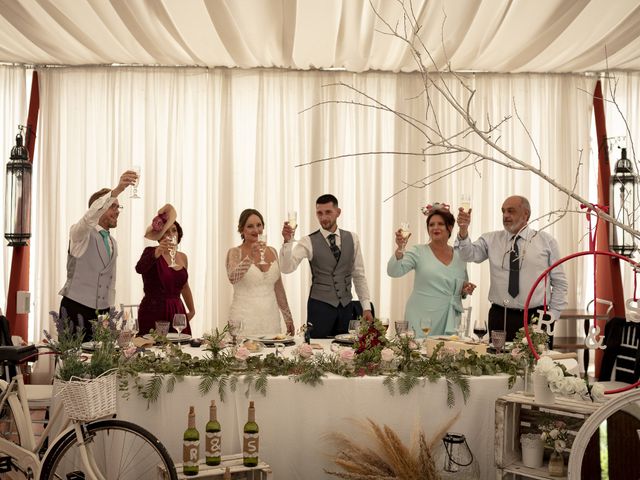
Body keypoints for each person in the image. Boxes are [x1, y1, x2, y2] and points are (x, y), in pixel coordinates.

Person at [456, 195, 568, 343]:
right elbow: (467, 255)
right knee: (498, 363)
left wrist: (552, 315)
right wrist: (463, 230)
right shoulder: (490, 240)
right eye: (503, 211)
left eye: (511, 211)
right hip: (500, 316)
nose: (505, 215)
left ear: (526, 214)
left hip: (537, 317)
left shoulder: (546, 242)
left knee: (537, 365)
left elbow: (559, 282)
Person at [59, 170, 137, 340]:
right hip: (75, 308)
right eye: (112, 206)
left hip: (102, 314)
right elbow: (88, 219)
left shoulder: (113, 242)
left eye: (118, 207)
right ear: (98, 208)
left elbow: (111, 281)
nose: (117, 211)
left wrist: (108, 313)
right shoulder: (79, 234)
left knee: (101, 364)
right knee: (73, 364)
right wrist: (117, 190)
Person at [280, 194, 373, 338]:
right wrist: (287, 243)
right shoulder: (307, 241)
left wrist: (366, 307)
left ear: (338, 212)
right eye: (319, 213)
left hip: (346, 307)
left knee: (347, 351)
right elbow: (287, 268)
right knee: (318, 353)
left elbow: (359, 275)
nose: (323, 218)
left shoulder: (352, 238)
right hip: (319, 307)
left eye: (328, 212)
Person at [387, 204, 476, 337]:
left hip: (449, 318)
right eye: (431, 224)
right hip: (421, 317)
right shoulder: (418, 251)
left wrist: (465, 289)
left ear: (450, 227)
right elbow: (394, 271)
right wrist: (400, 248)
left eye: (440, 224)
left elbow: (462, 287)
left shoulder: (461, 255)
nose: (435, 227)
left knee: (447, 355)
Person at [226, 209, 295, 336]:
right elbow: (232, 278)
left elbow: (278, 288)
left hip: (270, 318)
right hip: (244, 318)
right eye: (250, 226)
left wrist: (288, 318)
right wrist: (250, 257)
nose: (256, 230)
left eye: (259, 225)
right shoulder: (235, 252)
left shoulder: (272, 251)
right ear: (242, 230)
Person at [136, 204, 195, 336]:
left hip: (177, 311)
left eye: (173, 230)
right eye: (166, 232)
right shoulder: (151, 252)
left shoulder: (183, 257)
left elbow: (185, 287)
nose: (171, 235)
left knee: (179, 351)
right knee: (153, 353)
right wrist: (158, 252)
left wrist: (191, 310)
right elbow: (139, 269)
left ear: (178, 234)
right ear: (160, 236)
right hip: (154, 311)